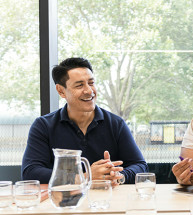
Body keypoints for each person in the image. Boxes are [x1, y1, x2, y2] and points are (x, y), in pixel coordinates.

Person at [22, 57, 148, 186]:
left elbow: (140, 166)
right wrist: (85, 177)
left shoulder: (116, 124)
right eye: (79, 85)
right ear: (61, 91)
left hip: (108, 199)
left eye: (91, 83)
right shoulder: (43, 125)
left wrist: (117, 176)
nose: (89, 91)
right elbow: (30, 171)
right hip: (65, 201)